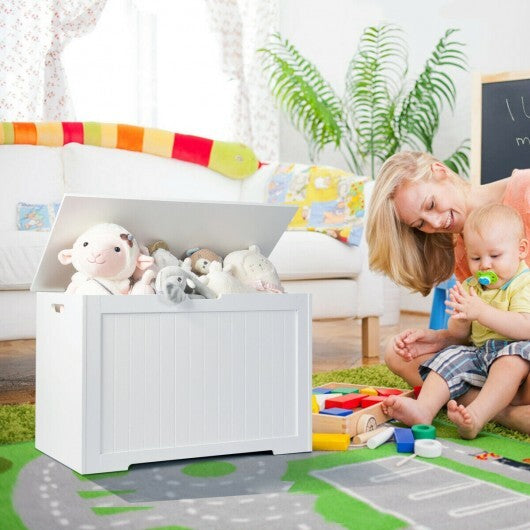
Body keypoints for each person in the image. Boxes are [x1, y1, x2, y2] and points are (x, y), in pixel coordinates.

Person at [365, 151, 530, 434]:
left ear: (439, 171)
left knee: (512, 363)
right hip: (498, 349)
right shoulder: (460, 248)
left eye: (431, 204)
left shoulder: (525, 191)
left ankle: (489, 406)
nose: (436, 223)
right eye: (421, 224)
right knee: (396, 353)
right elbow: (477, 328)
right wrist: (442, 337)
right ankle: (503, 413)